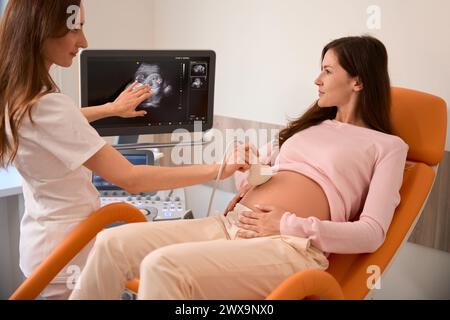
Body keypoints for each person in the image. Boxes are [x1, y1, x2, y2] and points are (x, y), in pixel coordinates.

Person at [69, 34, 409, 300]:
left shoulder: (386, 147)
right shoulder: (305, 129)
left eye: (327, 70)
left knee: (163, 267)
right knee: (110, 243)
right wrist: (245, 165)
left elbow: (372, 233)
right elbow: (244, 180)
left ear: (358, 82)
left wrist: (289, 223)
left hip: (287, 247)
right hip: (229, 223)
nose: (316, 79)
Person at [0, 0, 250, 300]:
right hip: (68, 256)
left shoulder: (20, 99)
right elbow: (131, 178)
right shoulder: (49, 106)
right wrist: (218, 169)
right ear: (42, 30)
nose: (84, 41)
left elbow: (55, 124)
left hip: (43, 247)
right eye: (75, 29)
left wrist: (110, 108)